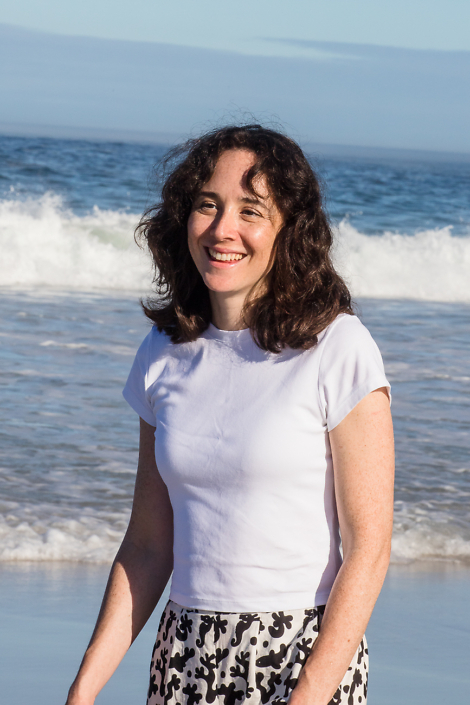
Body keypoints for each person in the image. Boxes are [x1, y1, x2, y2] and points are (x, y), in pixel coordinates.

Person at [66, 124, 394, 705]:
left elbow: (369, 548)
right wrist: (83, 689)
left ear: (289, 230)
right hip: (185, 654)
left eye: (251, 211)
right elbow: (147, 546)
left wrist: (309, 694)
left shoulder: (338, 346)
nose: (223, 229)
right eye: (207, 205)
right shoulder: (162, 352)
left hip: (299, 655)